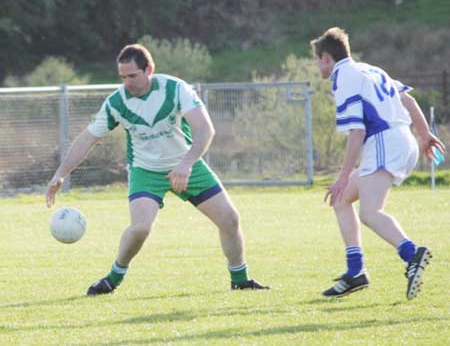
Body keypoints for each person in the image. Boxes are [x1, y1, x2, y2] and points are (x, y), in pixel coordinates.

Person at [46, 44, 269, 295]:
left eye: (133, 75)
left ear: (149, 69)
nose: (127, 82)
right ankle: (112, 278)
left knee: (230, 219)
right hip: (145, 171)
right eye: (122, 77)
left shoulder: (175, 89)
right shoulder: (117, 103)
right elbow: (87, 139)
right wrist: (60, 174)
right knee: (140, 228)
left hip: (188, 164)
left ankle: (240, 280)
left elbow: (205, 130)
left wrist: (185, 164)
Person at [310, 27, 446, 299]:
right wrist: (423, 134)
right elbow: (407, 98)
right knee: (341, 200)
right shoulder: (370, 69)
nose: (317, 65)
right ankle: (356, 272)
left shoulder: (343, 77)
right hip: (402, 139)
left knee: (370, 212)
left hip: (385, 142)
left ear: (326, 58)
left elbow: (357, 133)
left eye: (317, 59)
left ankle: (412, 254)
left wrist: (341, 175)